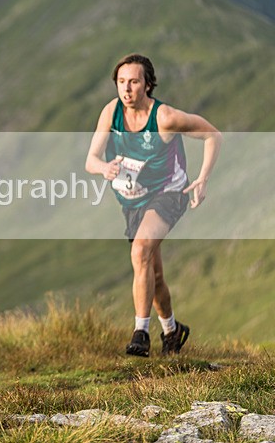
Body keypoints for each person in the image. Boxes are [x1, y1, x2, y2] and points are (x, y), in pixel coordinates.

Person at [86, 53, 221, 357]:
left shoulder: (165, 117)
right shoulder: (112, 112)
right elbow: (90, 160)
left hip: (169, 193)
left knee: (140, 250)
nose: (127, 89)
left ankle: (141, 333)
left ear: (148, 84)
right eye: (121, 82)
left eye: (134, 81)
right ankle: (172, 331)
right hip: (132, 200)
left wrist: (202, 178)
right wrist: (103, 168)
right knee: (152, 272)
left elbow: (213, 134)